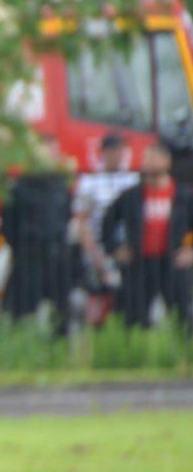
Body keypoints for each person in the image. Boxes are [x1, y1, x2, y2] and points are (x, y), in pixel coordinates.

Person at [100, 142, 193, 328]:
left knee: (181, 318)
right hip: (139, 264)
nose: (147, 163)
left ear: (166, 161)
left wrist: (190, 251)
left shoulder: (183, 196)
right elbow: (107, 223)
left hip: (172, 262)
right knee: (135, 319)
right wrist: (115, 248)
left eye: (152, 158)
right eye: (145, 159)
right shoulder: (131, 196)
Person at [1, 133, 72, 325]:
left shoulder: (60, 185)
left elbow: (66, 216)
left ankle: (60, 350)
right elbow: (8, 222)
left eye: (53, 149)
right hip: (29, 254)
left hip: (57, 254)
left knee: (61, 313)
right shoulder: (20, 187)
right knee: (23, 314)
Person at [71, 133, 139, 325]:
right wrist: (95, 255)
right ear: (106, 153)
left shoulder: (132, 180)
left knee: (129, 301)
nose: (120, 156)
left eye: (123, 151)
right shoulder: (90, 181)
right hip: (99, 249)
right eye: (116, 151)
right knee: (100, 302)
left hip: (127, 249)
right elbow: (82, 221)